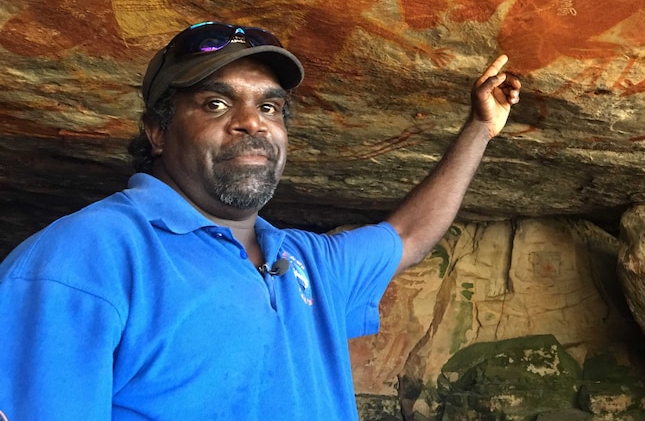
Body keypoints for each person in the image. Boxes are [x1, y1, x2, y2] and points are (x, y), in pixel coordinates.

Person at [0, 21, 521, 420]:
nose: (251, 122)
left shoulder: (306, 260)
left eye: (270, 108)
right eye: (216, 103)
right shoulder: (84, 257)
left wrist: (479, 129)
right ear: (157, 132)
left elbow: (407, 235)